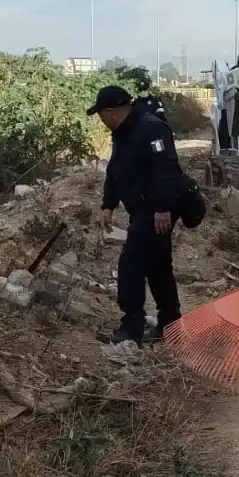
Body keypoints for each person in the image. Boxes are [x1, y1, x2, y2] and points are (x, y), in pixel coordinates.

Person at [87, 84, 184, 346]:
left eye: (101, 115)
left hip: (155, 209)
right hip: (143, 209)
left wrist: (162, 208)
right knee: (158, 265)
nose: (101, 120)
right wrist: (108, 204)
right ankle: (170, 324)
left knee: (130, 264)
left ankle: (132, 327)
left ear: (110, 112)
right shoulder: (123, 132)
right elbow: (115, 169)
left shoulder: (151, 128)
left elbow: (166, 170)